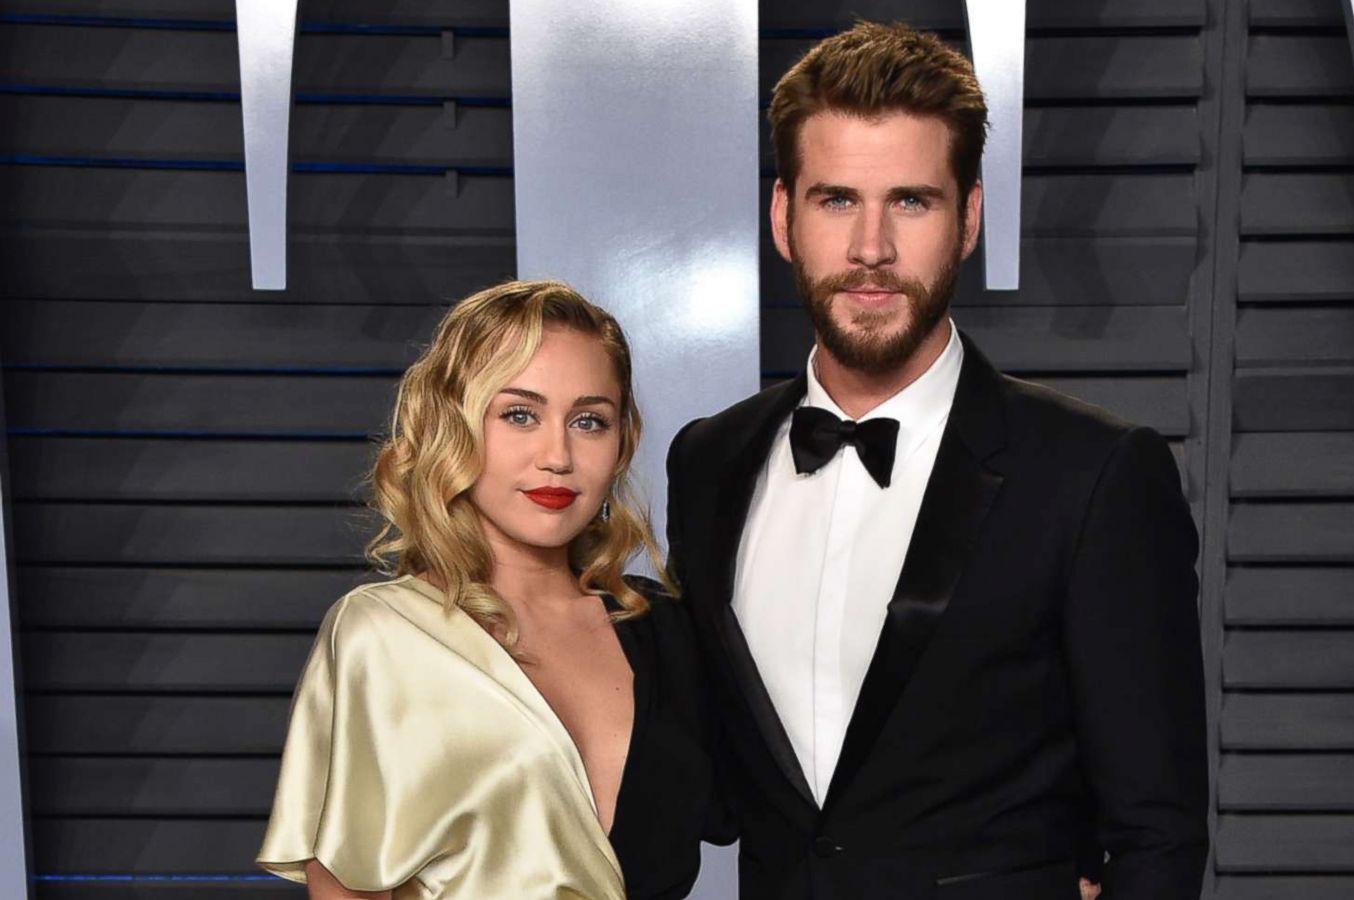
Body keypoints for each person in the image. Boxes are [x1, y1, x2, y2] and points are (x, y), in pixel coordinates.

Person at [664, 22, 1209, 900]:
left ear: (969, 219)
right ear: (782, 217)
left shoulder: (1096, 475)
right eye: (836, 199)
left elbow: (1158, 831)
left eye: (911, 201)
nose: (871, 247)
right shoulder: (708, 461)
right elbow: (711, 782)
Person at [257, 280, 726, 899]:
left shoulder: (662, 625)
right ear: (454, 428)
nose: (557, 454)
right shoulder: (386, 635)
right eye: (519, 414)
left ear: (620, 443)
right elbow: (347, 888)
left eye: (589, 421)